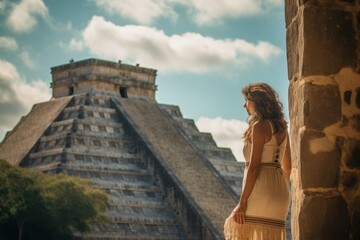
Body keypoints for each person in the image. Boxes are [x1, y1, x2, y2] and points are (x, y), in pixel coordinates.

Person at [224, 82, 291, 240]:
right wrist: (278, 187)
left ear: (256, 102)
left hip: (260, 191)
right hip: (281, 194)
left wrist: (242, 202)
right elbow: (288, 166)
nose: (244, 105)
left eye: (247, 100)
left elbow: (254, 167)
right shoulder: (282, 128)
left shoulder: (259, 127)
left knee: (237, 226)